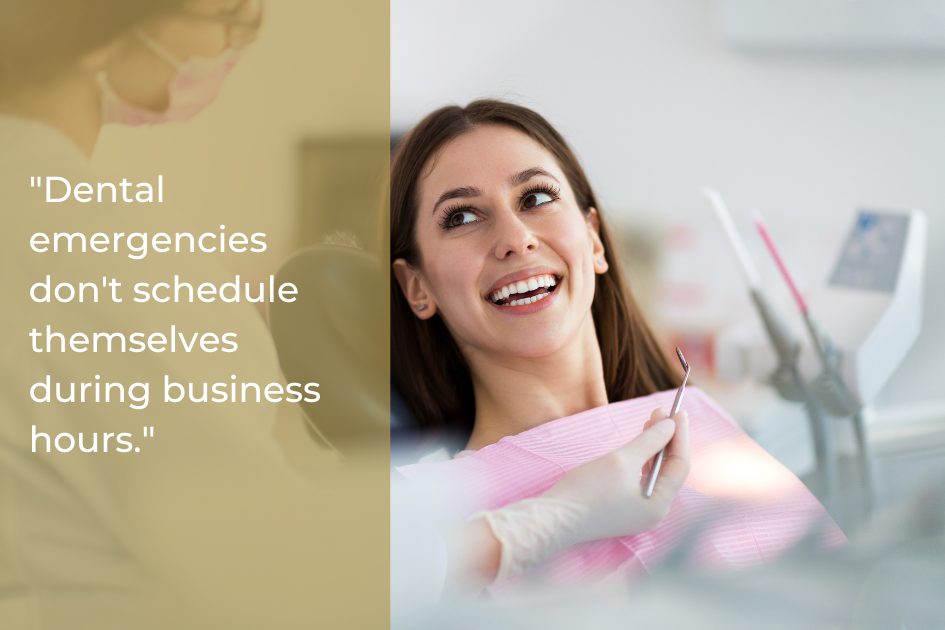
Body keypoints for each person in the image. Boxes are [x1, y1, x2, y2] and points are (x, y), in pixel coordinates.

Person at [0, 1, 388, 628]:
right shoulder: (94, 250)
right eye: (227, 13)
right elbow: (264, 563)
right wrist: (489, 527)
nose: (239, 39)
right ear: (95, 24)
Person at [389, 100, 844, 593]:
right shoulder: (423, 511)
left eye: (536, 198)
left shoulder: (692, 419)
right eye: (460, 217)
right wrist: (555, 519)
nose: (515, 239)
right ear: (417, 287)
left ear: (595, 240)